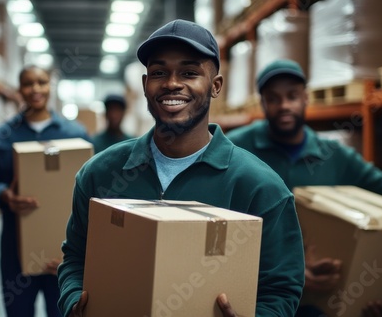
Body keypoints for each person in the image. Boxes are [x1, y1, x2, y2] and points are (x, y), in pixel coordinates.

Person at [57, 19, 305, 317]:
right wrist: (73, 301)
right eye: (159, 72)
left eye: (189, 73)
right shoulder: (100, 173)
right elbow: (74, 258)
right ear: (146, 85)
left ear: (215, 86)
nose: (172, 83)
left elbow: (280, 290)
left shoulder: (260, 187)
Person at [226, 59, 382, 317]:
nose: (284, 106)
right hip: (259, 292)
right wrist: (290, 270)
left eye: (292, 96)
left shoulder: (332, 155)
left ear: (306, 98)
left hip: (322, 299)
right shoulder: (237, 148)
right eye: (274, 98)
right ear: (263, 103)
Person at [0, 65, 93, 317]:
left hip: (64, 251)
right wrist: (4, 194)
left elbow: (92, 191)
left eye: (41, 82)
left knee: (61, 311)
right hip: (16, 247)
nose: (36, 89)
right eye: (28, 84)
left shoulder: (76, 135)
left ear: (50, 86)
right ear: (19, 89)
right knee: (18, 311)